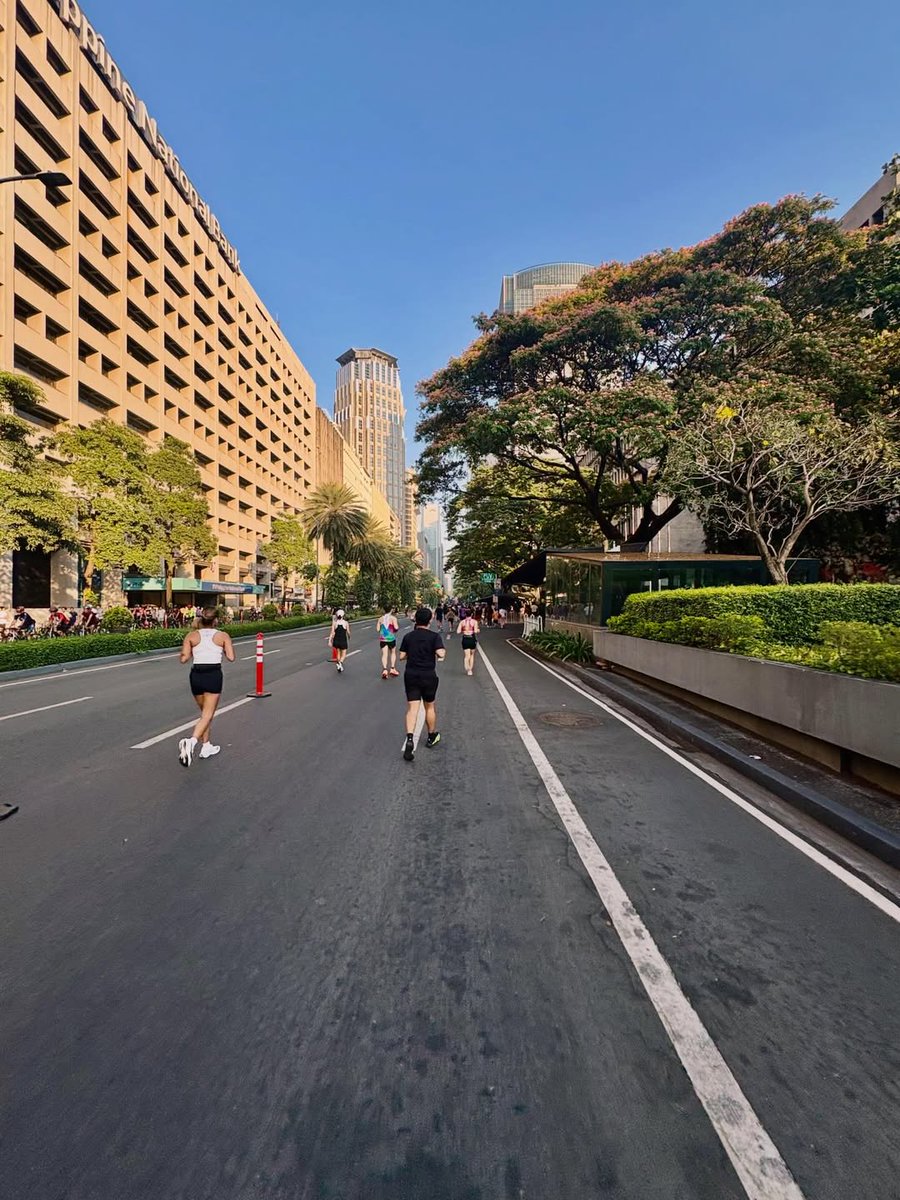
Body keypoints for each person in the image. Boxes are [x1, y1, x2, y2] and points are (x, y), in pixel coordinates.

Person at [178, 608, 235, 767]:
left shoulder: (191, 635)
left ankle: (206, 746)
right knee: (208, 715)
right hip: (213, 674)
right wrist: (221, 647)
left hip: (196, 675)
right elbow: (231, 657)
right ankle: (191, 742)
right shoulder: (222, 636)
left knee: (204, 714)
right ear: (216, 620)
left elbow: (183, 659)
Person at [399, 607, 445, 761]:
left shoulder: (408, 636)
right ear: (430, 620)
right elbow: (441, 653)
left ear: (416, 620)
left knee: (412, 708)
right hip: (428, 675)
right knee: (429, 706)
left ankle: (410, 738)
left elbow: (401, 656)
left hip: (411, 675)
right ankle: (432, 735)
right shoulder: (434, 637)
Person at [378, 605, 400, 679]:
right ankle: (392, 668)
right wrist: (393, 629)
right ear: (391, 610)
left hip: (383, 639)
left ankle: (384, 670)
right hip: (391, 638)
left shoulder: (380, 619)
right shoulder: (393, 618)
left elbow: (378, 629)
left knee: (384, 654)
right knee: (393, 653)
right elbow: (396, 628)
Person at [458, 610, 480, 676]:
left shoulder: (462, 622)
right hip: (472, 639)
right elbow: (475, 631)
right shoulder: (474, 622)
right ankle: (470, 670)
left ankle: (467, 667)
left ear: (465, 614)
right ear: (472, 614)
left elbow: (458, 631)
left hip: (465, 638)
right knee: (472, 655)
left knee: (466, 655)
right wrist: (478, 630)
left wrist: (463, 629)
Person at [330, 608, 350, 672]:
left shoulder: (335, 623)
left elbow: (332, 632)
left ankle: (339, 664)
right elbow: (348, 632)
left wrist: (330, 640)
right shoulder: (346, 623)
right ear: (343, 615)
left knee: (338, 653)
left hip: (336, 640)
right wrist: (349, 636)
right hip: (343, 640)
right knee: (344, 654)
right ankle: (340, 663)